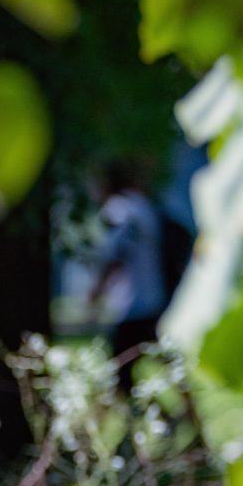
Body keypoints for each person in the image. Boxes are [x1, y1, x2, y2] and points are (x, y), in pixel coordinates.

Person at [87, 157, 169, 374]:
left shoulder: (118, 209)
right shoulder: (143, 205)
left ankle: (152, 407)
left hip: (130, 303)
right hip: (152, 296)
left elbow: (116, 254)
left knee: (118, 370)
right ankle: (182, 407)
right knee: (164, 362)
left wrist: (98, 288)